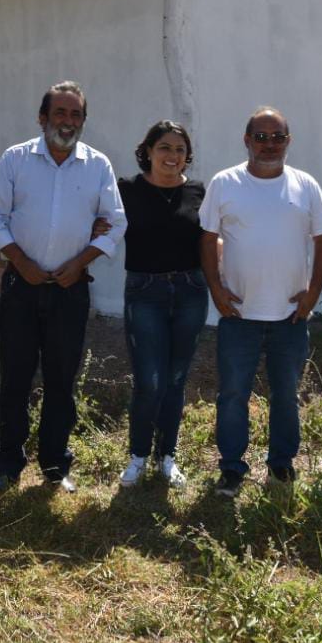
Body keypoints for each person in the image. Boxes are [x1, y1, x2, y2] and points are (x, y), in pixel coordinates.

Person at [0, 80, 126, 492]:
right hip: (20, 287)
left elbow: (116, 221)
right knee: (15, 377)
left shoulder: (97, 165)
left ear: (83, 120)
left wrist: (81, 262)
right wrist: (21, 262)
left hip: (70, 288)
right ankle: (8, 464)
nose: (67, 121)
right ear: (42, 118)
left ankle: (54, 466)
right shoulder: (16, 160)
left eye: (75, 114)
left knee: (62, 380)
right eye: (59, 113)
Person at [200, 107, 322, 497]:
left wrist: (313, 294)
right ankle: (231, 468)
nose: (269, 144)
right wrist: (216, 289)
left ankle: (281, 465)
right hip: (238, 314)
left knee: (286, 396)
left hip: (290, 316)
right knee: (232, 395)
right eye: (261, 137)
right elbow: (207, 239)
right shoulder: (225, 183)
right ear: (246, 141)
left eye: (277, 137)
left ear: (288, 142)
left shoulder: (305, 185)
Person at [116, 121, 208, 489]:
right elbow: (100, 224)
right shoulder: (126, 190)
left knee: (175, 378)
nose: (172, 156)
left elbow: (211, 241)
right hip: (144, 292)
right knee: (149, 380)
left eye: (180, 150)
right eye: (165, 148)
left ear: (187, 157)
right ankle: (138, 455)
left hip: (190, 290)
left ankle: (167, 456)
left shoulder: (200, 192)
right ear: (149, 151)